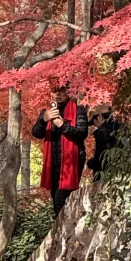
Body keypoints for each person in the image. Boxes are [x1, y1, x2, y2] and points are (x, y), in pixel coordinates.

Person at [32, 82, 89, 215]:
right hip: (52, 164)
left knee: (60, 201)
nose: (57, 94)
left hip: (72, 163)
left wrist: (62, 125)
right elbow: (36, 133)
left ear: (69, 91)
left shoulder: (78, 110)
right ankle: (64, 226)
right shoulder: (47, 112)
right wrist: (44, 120)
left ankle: (63, 227)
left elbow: (82, 133)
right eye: (54, 90)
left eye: (62, 90)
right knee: (57, 200)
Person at [85, 103, 119, 178]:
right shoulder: (121, 128)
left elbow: (100, 158)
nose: (95, 125)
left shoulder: (101, 133)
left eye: (93, 121)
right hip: (120, 172)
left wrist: (90, 163)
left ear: (100, 117)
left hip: (104, 175)